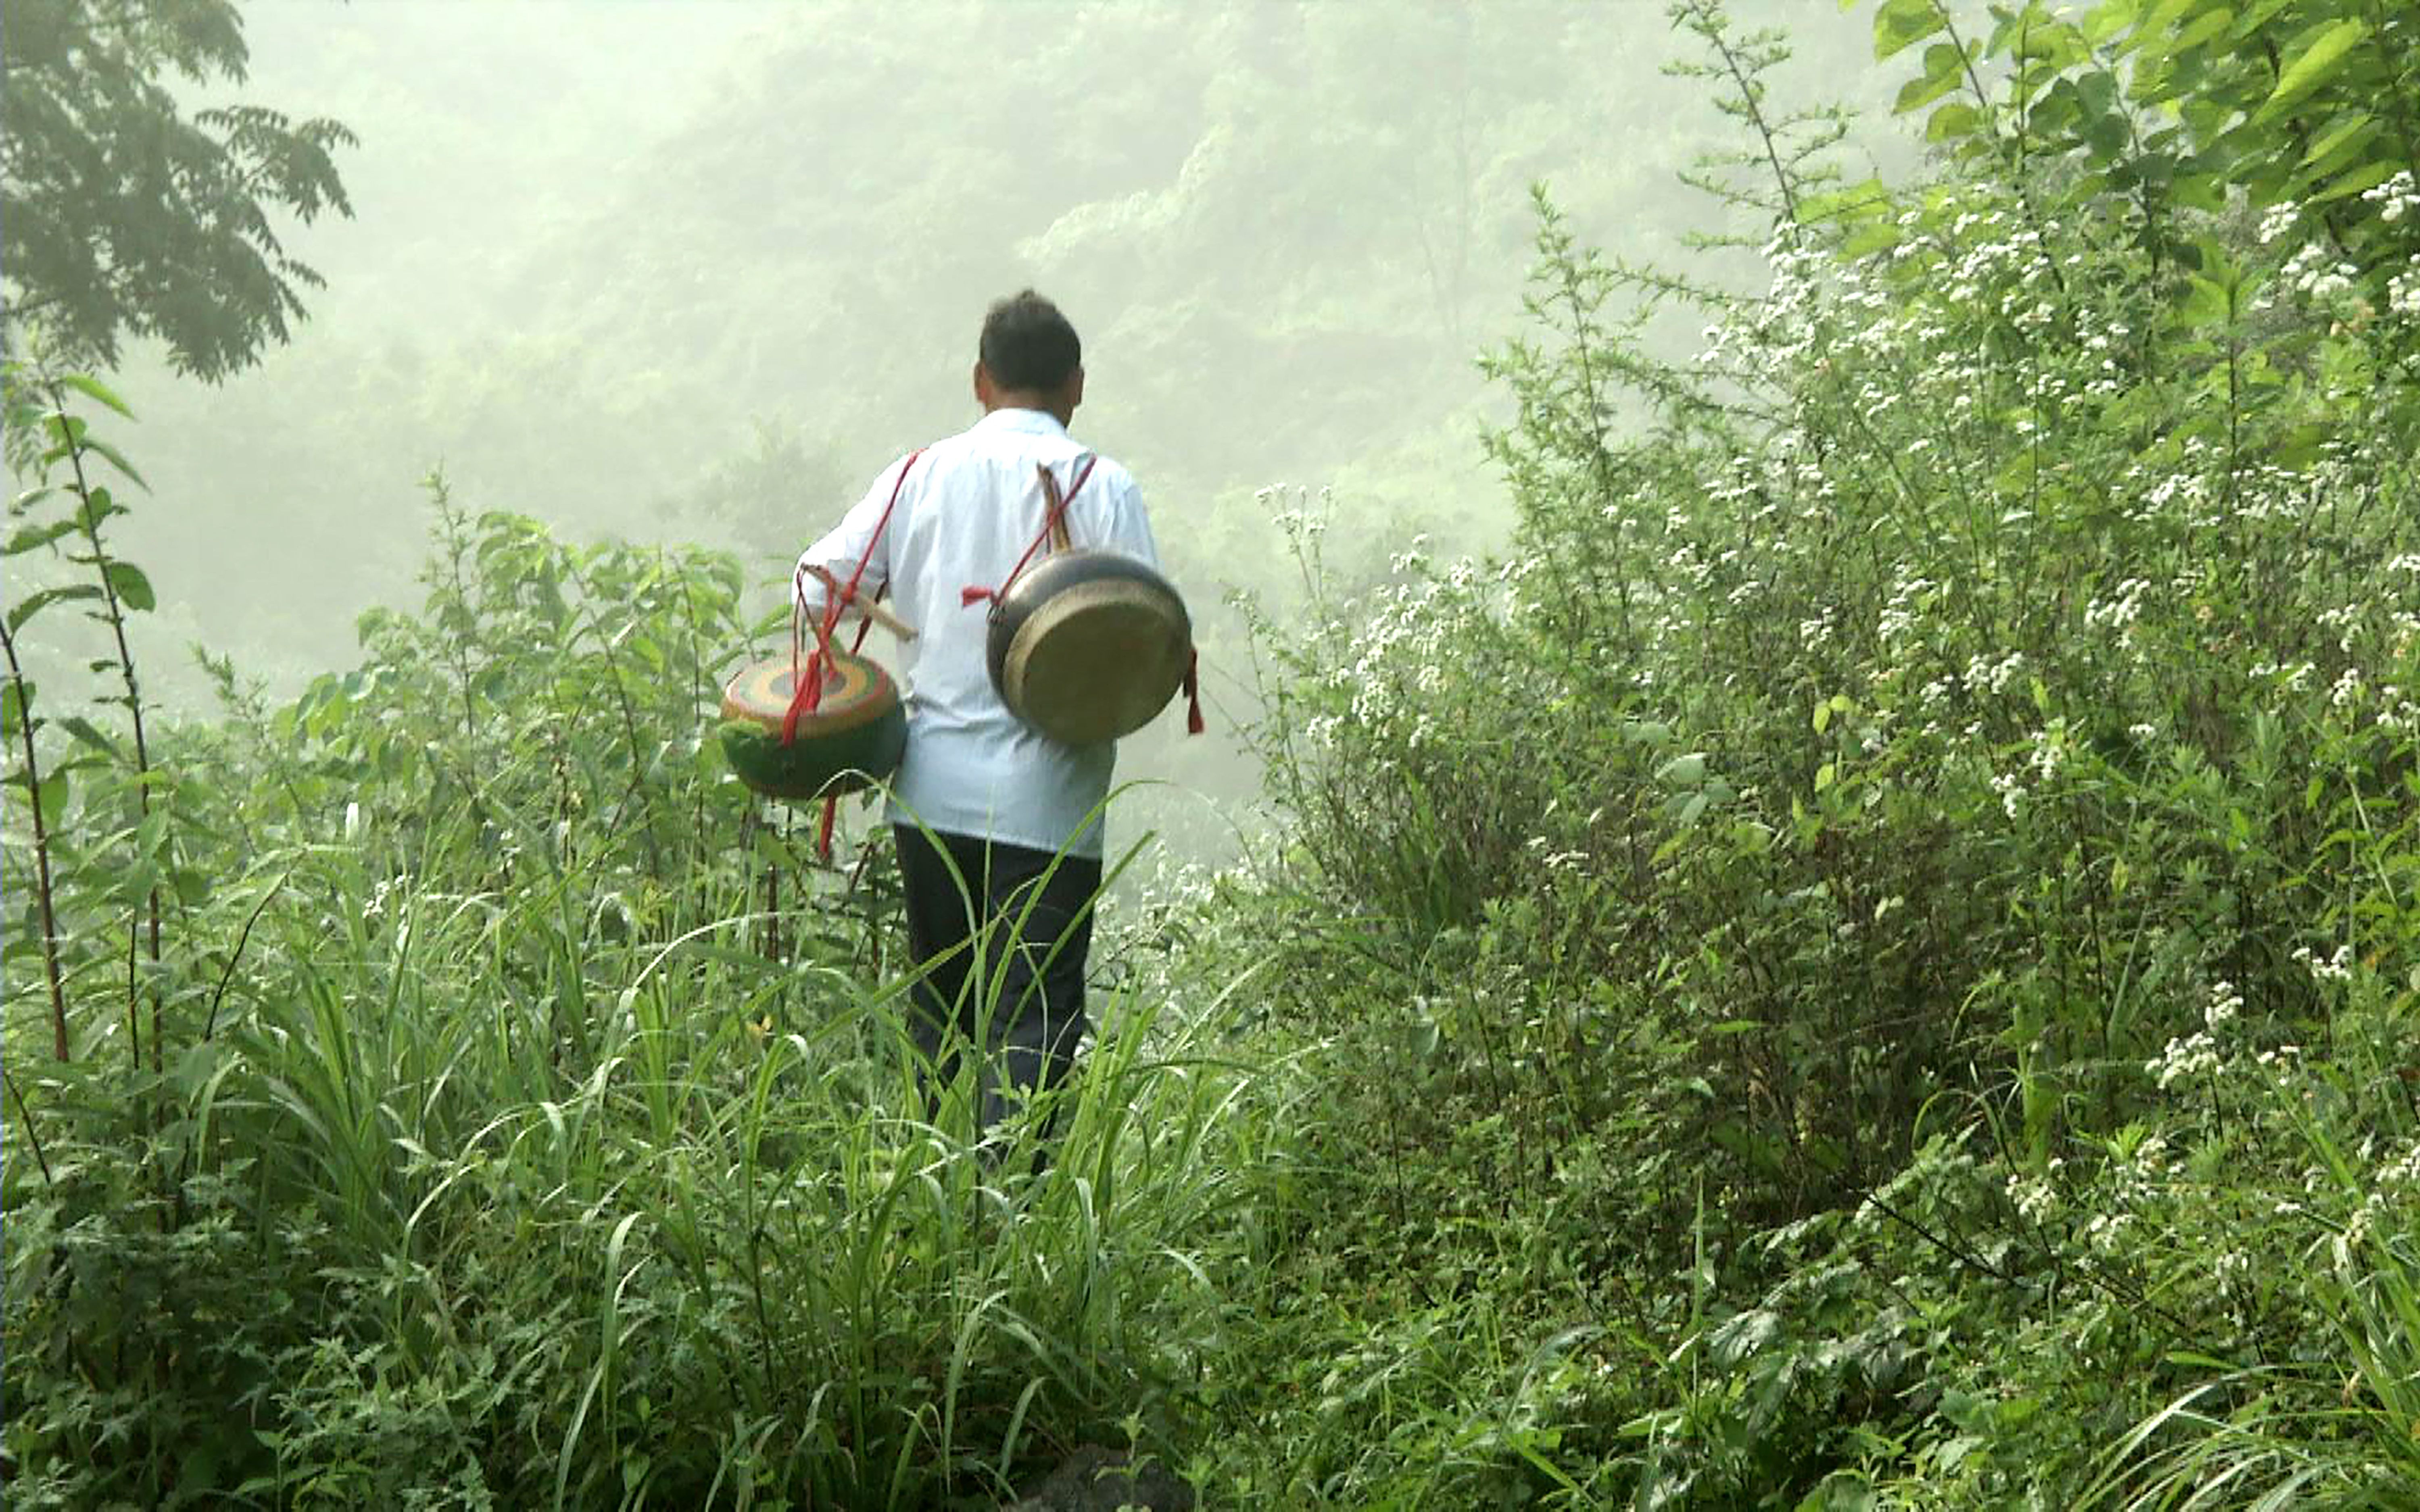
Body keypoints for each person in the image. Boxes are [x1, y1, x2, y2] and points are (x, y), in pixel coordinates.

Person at [793, 289, 1164, 1153]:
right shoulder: (1105, 487)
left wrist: (886, 664)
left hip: (935, 793)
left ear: (979, 382)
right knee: (1036, 1020)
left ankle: (934, 1202)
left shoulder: (920, 475)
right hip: (1053, 800)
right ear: (1076, 386)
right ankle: (1015, 1216)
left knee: (943, 1010)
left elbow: (815, 582)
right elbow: (1148, 636)